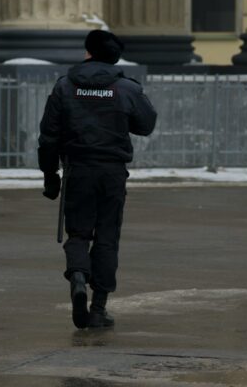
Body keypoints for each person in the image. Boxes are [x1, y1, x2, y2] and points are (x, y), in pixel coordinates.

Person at [38, 29, 157, 329]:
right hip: (112, 172)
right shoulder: (126, 88)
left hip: (78, 170)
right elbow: (146, 125)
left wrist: (49, 175)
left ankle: (78, 276)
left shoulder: (65, 86)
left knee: (78, 233)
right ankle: (99, 308)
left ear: (88, 52)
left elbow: (48, 136)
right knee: (107, 237)